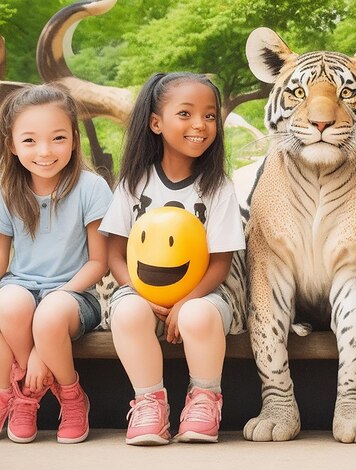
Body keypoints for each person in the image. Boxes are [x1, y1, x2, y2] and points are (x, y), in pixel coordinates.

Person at [99, 72, 245, 446]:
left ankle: (204, 399)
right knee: (128, 312)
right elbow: (115, 252)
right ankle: (150, 402)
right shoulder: (134, 183)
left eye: (210, 116)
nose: (200, 125)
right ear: (156, 123)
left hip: (205, 294)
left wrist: (187, 300)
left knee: (197, 316)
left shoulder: (217, 187)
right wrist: (138, 292)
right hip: (140, 291)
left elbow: (221, 262)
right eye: (186, 114)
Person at [0, 85, 112, 443]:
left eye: (58, 138)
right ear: (13, 145)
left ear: (75, 140)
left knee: (48, 313)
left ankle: (70, 393)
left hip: (75, 295)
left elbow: (99, 261)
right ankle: (25, 394)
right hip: (22, 287)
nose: (45, 152)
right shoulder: (7, 191)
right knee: (9, 302)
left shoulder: (91, 188)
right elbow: (3, 266)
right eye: (30, 141)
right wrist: (32, 352)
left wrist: (40, 345)